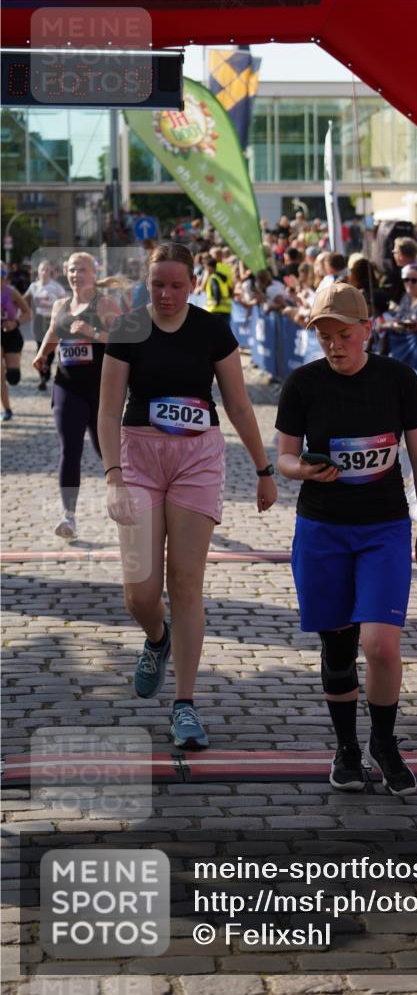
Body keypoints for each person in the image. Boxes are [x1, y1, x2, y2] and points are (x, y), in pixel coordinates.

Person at [99, 242, 277, 750]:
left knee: (185, 582)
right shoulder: (129, 328)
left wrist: (263, 469)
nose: (167, 294)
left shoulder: (212, 329)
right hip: (139, 457)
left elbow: (239, 404)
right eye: (158, 284)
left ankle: (184, 705)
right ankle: (158, 638)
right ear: (146, 283)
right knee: (140, 592)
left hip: (198, 457)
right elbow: (109, 411)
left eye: (177, 284)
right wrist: (113, 474)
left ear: (193, 283)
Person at [275, 282, 417, 795]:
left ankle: (384, 744)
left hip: (384, 528)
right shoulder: (302, 384)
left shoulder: (398, 380)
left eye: (343, 334)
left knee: (381, 644)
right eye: (324, 336)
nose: (333, 344)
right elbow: (281, 458)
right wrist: (303, 470)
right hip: (323, 529)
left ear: (367, 329)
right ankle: (347, 749)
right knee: (339, 648)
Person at [33, 252, 123, 537]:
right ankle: (68, 517)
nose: (76, 275)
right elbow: (53, 333)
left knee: (106, 451)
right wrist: (41, 355)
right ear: (66, 272)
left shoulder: (105, 304)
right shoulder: (61, 304)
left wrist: (93, 332)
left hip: (100, 389)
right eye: (72, 270)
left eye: (82, 269)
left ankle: (131, 501)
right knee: (69, 450)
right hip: (67, 385)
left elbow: (126, 341)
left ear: (93, 273)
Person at [24, 261, 67, 390]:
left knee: (51, 348)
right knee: (39, 346)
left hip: (51, 319)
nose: (45, 272)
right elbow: (24, 299)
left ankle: (47, 367)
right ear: (38, 271)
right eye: (43, 269)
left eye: (47, 270)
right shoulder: (34, 286)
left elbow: (65, 300)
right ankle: (42, 376)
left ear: (51, 272)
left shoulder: (56, 287)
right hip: (38, 319)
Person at [1, 261, 31, 422]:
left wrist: (16, 323)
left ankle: (10, 373)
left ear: (6, 276)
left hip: (12, 334)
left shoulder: (12, 292)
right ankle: (7, 409)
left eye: (2, 274)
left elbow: (27, 313)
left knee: (13, 377)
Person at [392, 264, 417, 332]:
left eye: (414, 280)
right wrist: (395, 324)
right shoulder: (406, 297)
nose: (409, 283)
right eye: (406, 280)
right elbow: (397, 318)